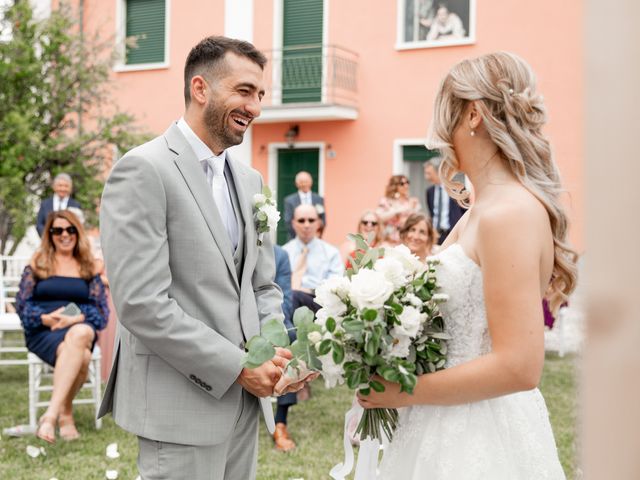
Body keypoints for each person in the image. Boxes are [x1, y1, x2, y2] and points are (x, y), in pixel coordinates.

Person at [98, 36, 309, 480]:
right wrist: (237, 368)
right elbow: (142, 305)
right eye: (244, 91)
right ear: (201, 89)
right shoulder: (144, 169)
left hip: (245, 407)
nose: (256, 107)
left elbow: (262, 284)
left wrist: (275, 356)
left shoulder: (250, 180)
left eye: (260, 95)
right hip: (180, 406)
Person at [359, 52, 578, 479]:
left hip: (479, 435)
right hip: (441, 420)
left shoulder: (508, 214)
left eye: (444, 114)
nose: (437, 134)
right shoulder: (481, 210)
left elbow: (519, 366)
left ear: (473, 114)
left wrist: (403, 392)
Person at [15, 210, 108, 443]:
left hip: (79, 327)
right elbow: (22, 306)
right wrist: (46, 318)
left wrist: (75, 318)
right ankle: (64, 414)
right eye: (58, 230)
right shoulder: (38, 263)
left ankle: (50, 416)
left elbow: (101, 313)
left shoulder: (88, 267)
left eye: (70, 229)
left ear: (78, 232)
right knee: (83, 357)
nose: (64, 234)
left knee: (82, 332)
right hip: (44, 331)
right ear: (50, 234)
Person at [283, 204, 343, 314]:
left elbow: (335, 287)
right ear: (293, 223)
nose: (306, 225)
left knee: (294, 296)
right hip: (287, 302)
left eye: (311, 220)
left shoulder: (331, 253)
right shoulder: (284, 252)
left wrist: (310, 290)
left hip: (319, 303)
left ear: (318, 223)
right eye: (301, 220)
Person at [272, 244, 298, 452]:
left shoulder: (280, 255)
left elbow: (285, 300)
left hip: (271, 317)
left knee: (289, 334)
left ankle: (280, 422)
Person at [424, 157, 467, 244]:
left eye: (429, 173)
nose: (426, 177)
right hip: (435, 236)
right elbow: (432, 213)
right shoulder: (429, 191)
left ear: (438, 172)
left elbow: (465, 211)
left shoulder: (457, 189)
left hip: (452, 234)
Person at [376, 174, 421, 245]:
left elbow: (416, 221)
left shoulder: (411, 202)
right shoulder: (386, 201)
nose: (406, 186)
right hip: (388, 239)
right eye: (402, 184)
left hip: (406, 240)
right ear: (394, 186)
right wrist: (396, 211)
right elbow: (378, 218)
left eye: (407, 182)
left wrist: (413, 209)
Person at [283, 171, 326, 240]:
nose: (304, 184)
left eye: (306, 181)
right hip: (295, 239)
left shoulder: (319, 199)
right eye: (301, 182)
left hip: (315, 239)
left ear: (311, 182)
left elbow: (323, 220)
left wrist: (316, 235)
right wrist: (300, 236)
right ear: (296, 184)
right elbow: (288, 221)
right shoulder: (289, 200)